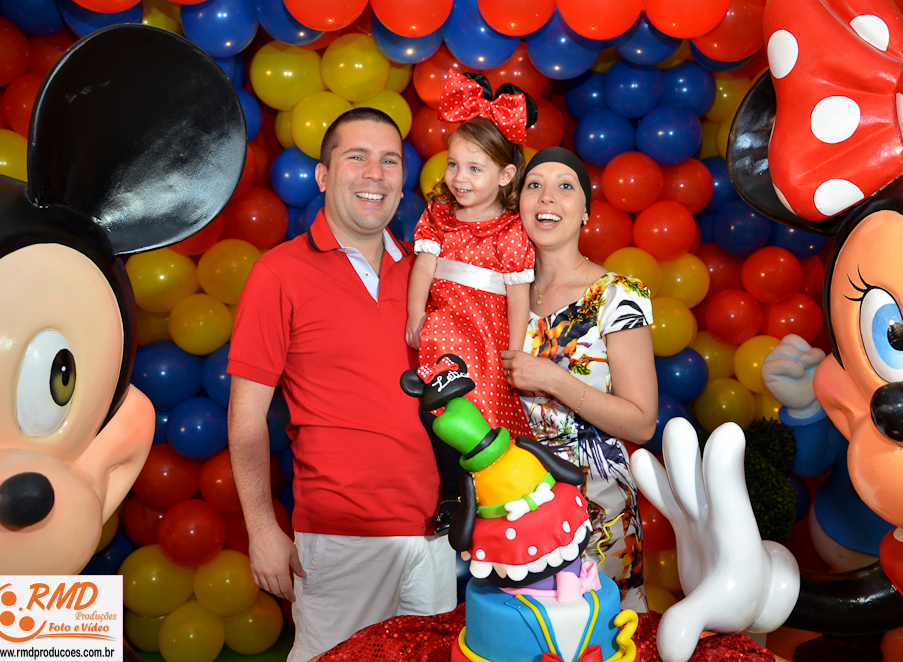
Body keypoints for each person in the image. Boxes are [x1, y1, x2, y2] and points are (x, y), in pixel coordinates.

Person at [226, 108, 456, 662]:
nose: (375, 174)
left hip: (436, 535)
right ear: (323, 175)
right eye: (357, 157)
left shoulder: (429, 273)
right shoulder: (278, 273)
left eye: (390, 161)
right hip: (340, 538)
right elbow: (246, 417)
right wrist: (262, 528)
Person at [500, 147, 659, 612]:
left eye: (565, 186)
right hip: (512, 504)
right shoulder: (499, 293)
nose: (547, 197)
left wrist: (555, 379)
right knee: (520, 633)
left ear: (586, 211)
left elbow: (641, 423)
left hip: (596, 513)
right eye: (534, 185)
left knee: (598, 635)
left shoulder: (616, 296)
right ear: (518, 204)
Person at [405, 71, 535, 440]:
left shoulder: (510, 229)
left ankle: (483, 450)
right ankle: (439, 392)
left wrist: (514, 352)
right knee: (442, 343)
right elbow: (424, 267)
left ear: (505, 175)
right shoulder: (440, 215)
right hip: (444, 322)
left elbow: (518, 296)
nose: (459, 177)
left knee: (484, 406)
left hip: (486, 332)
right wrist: (415, 314)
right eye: (453, 164)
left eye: (474, 169)